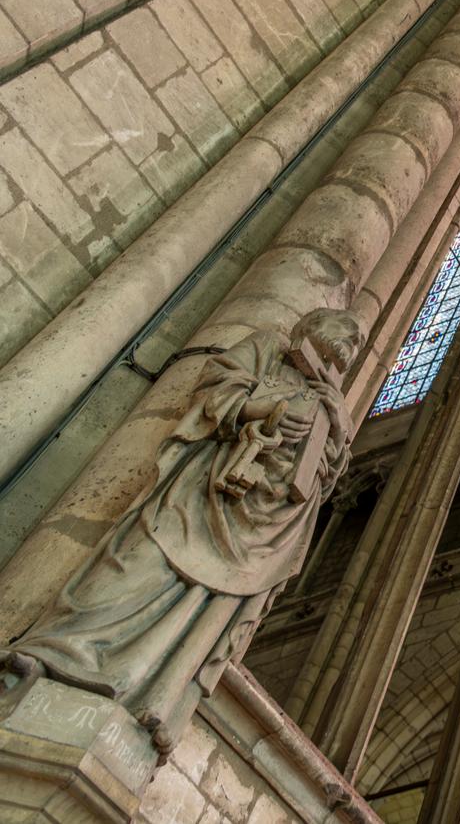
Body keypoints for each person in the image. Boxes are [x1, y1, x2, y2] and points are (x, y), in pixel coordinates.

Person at [4, 309, 363, 753]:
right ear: (314, 327)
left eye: (361, 342)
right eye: (348, 331)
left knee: (205, 608)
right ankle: (63, 649)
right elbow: (216, 384)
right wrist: (262, 408)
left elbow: (327, 475)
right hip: (207, 489)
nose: (356, 341)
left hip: (265, 527)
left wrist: (332, 442)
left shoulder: (335, 401)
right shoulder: (271, 347)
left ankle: (154, 697)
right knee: (139, 561)